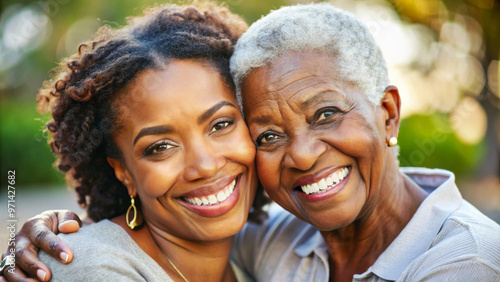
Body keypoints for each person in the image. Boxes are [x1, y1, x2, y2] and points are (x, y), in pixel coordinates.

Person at [4, 3, 500, 282]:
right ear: (122, 170)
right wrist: (61, 241)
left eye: (220, 124)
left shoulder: (467, 261)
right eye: (269, 135)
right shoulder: (279, 240)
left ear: (388, 113)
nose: (302, 154)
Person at [0, 2, 270, 281]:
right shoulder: (93, 268)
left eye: (221, 125)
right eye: (160, 147)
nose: (205, 166)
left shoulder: (263, 256)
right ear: (124, 172)